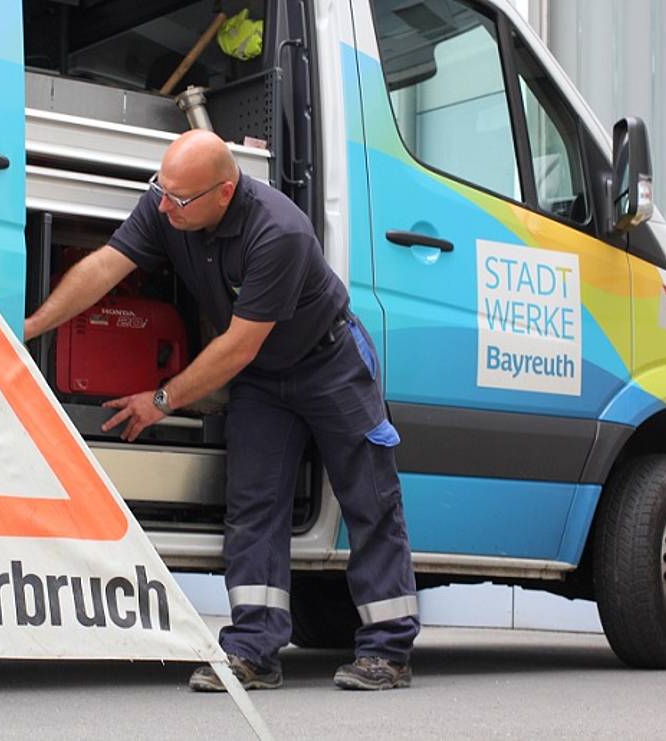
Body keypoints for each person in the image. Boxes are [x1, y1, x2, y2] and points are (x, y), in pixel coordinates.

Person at [24, 130, 419, 691]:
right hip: (261, 378)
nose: (163, 205)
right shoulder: (169, 203)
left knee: (369, 497)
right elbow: (105, 267)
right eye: (161, 190)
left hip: (328, 362)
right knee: (254, 504)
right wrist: (31, 327)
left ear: (225, 192)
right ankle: (253, 652)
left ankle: (388, 651)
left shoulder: (278, 232)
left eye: (179, 198)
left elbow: (238, 344)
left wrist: (161, 400)